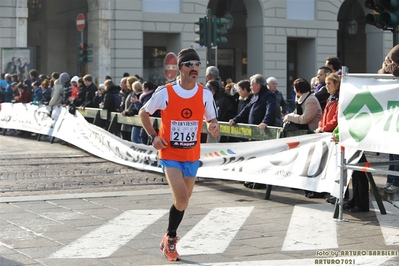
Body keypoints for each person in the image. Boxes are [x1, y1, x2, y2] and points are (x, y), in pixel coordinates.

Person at [138, 48, 219, 261]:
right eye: (189, 64)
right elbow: (143, 113)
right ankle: (172, 239)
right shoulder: (166, 92)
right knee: (182, 200)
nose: (194, 68)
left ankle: (167, 236)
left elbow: (211, 119)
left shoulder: (205, 94)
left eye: (196, 64)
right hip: (170, 153)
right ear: (180, 69)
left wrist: (213, 126)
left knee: (183, 200)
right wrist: (153, 136)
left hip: (192, 155)